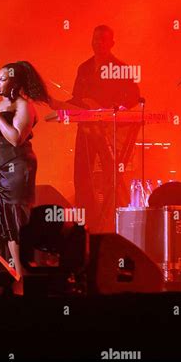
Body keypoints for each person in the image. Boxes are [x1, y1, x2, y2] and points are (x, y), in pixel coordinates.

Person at [50, 25, 140, 231]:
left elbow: (134, 96)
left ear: (111, 43)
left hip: (108, 130)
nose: (97, 43)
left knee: (112, 174)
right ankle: (87, 222)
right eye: (95, 39)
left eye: (102, 39)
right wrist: (60, 106)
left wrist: (109, 110)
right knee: (82, 175)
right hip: (86, 128)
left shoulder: (119, 68)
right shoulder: (84, 68)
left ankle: (118, 219)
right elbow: (77, 99)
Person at [0, 60, 49, 277]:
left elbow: (16, 138)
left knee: (12, 222)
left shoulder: (24, 105)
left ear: (14, 83)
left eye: (3, 79)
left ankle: (22, 277)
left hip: (15, 168)